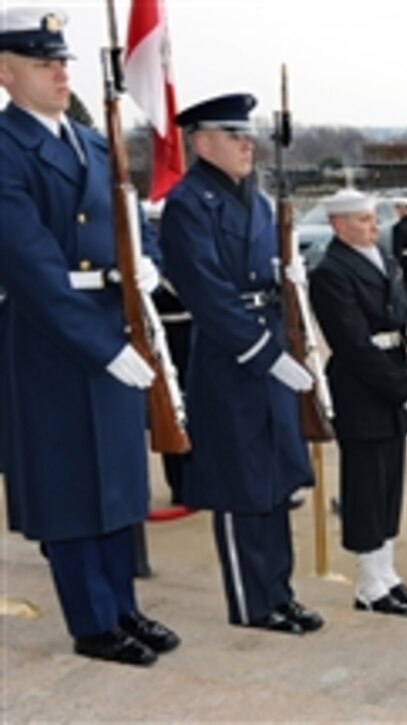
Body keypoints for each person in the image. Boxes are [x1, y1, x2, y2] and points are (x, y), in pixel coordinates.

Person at [0, 7, 179, 665]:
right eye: (43, 63)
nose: (59, 72)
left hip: (113, 322)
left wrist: (148, 257)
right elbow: (32, 266)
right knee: (72, 484)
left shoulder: (92, 141)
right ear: (5, 72)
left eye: (62, 61)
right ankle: (92, 621)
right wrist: (103, 345)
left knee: (117, 480)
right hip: (55, 339)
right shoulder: (5, 147)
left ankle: (124, 606)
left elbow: (129, 216)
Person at [158, 93, 322, 635]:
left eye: (248, 135)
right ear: (202, 143)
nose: (247, 143)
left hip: (271, 339)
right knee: (240, 486)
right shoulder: (189, 203)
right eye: (234, 135)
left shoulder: (258, 199)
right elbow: (207, 292)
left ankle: (280, 592)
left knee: (275, 483)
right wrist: (265, 355)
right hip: (234, 357)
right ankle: (253, 604)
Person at [308, 189, 407, 617]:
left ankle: (387, 573)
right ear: (338, 226)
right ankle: (367, 583)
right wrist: (406, 391)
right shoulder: (331, 272)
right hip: (364, 389)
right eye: (361, 220)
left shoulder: (384, 259)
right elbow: (354, 344)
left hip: (393, 376)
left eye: (371, 218)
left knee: (389, 486)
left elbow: (397, 310)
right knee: (365, 487)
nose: (372, 225)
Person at [390, 196, 407, 296]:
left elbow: (397, 250)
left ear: (403, 208)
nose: (396, 210)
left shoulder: (399, 227)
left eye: (397, 207)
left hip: (406, 265)